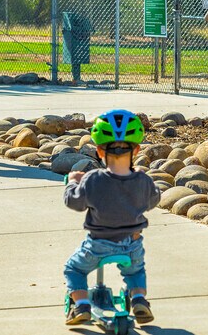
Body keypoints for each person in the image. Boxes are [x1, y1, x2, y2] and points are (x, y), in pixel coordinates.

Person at [63, 109, 161, 325]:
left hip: (98, 245)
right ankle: (139, 299)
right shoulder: (143, 181)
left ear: (99, 151)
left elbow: (74, 202)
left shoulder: (92, 180)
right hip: (132, 244)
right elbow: (153, 200)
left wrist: (73, 182)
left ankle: (81, 305)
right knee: (135, 271)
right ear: (136, 150)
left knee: (74, 269)